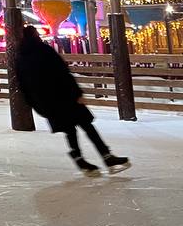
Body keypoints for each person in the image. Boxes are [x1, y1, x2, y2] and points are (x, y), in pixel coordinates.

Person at [15, 25, 129, 176]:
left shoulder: (21, 58)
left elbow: (23, 85)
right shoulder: (44, 51)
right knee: (87, 126)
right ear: (35, 35)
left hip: (48, 103)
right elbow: (62, 73)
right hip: (65, 97)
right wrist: (77, 93)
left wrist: (37, 106)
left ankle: (80, 159)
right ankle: (107, 157)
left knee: (70, 130)